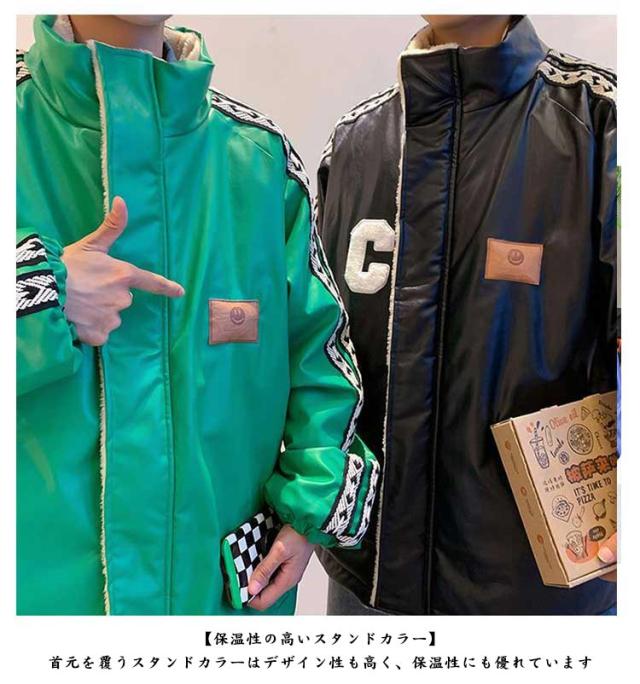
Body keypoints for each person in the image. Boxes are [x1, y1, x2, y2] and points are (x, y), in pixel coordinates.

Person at [16, 14, 378, 615]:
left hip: (218, 600)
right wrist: (39, 293)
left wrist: (310, 514)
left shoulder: (257, 160)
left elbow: (321, 357)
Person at [316, 14, 617, 615]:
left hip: (540, 594)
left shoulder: (601, 122)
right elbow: (315, 358)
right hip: (363, 578)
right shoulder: (354, 142)